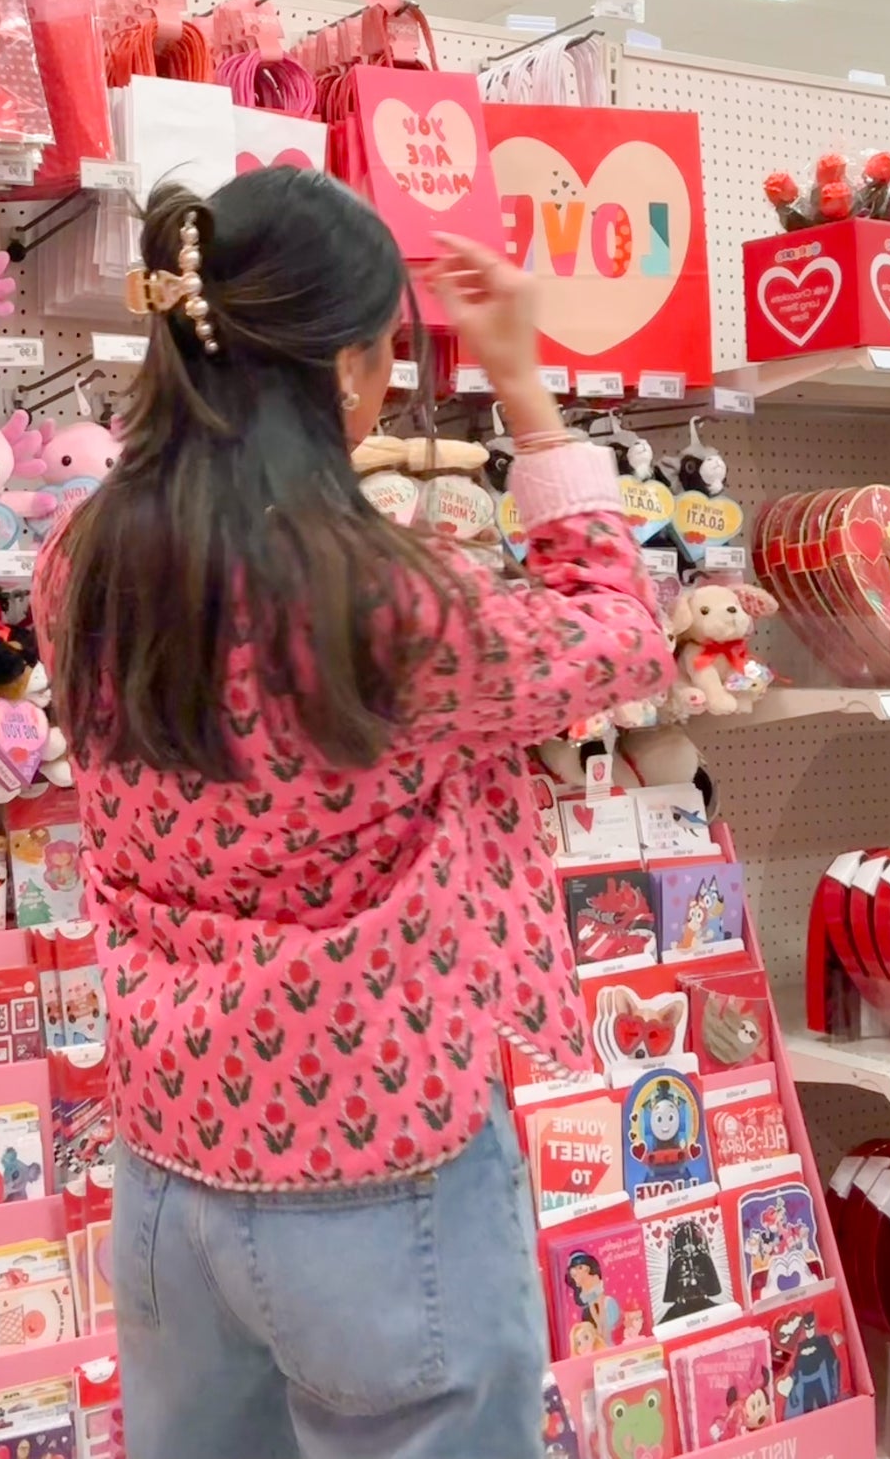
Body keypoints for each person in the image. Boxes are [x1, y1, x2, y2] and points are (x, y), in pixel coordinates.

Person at [33, 167, 672, 1459]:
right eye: (384, 347)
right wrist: (527, 393)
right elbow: (620, 636)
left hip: (168, 1152)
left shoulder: (85, 559)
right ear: (339, 370)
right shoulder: (378, 603)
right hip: (379, 1164)